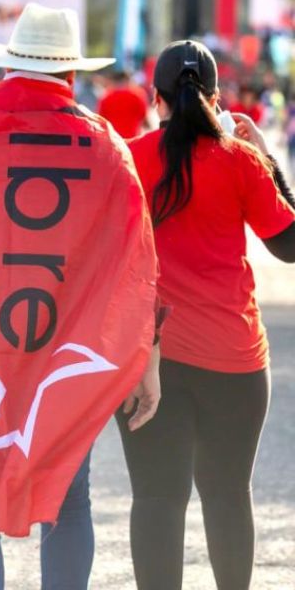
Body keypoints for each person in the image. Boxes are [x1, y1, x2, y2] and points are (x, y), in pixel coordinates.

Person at [0, 3, 161, 589]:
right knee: (67, 499)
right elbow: (135, 262)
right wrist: (143, 358)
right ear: (71, 76)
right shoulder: (105, 145)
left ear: (9, 68)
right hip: (67, 356)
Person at [119, 40, 295, 590]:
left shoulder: (131, 158)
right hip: (236, 362)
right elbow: (290, 246)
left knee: (156, 499)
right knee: (226, 496)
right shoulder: (241, 160)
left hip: (150, 358)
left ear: (156, 98)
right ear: (219, 99)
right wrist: (266, 156)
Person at [97, 68, 151, 139]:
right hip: (133, 140)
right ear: (128, 80)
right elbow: (144, 119)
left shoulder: (106, 96)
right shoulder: (138, 94)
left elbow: (100, 121)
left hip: (114, 141)